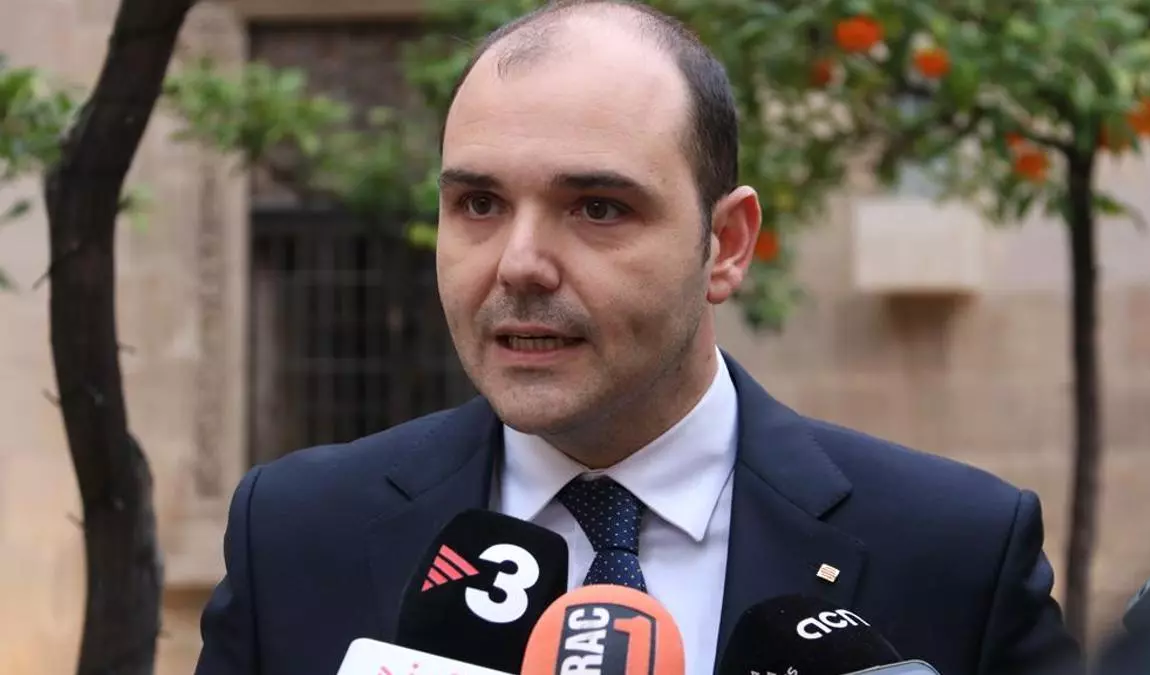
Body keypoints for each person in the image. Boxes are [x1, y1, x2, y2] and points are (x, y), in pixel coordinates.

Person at [194, 2, 1083, 674]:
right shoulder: (297, 536)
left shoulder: (952, 550)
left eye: (596, 207)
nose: (520, 264)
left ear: (725, 245)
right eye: (479, 203)